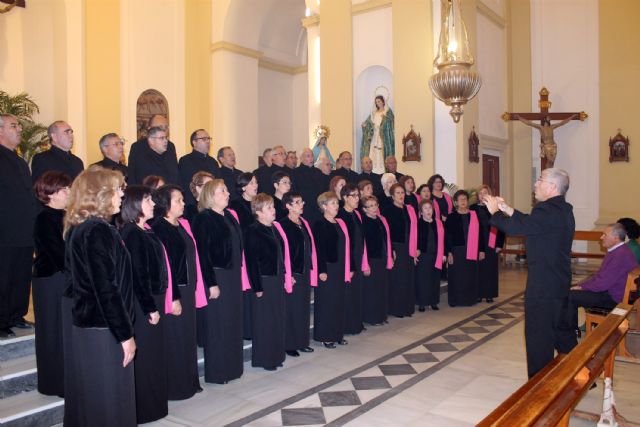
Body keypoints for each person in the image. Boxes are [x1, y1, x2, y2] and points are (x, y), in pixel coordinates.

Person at [485, 167, 576, 379]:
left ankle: (538, 388)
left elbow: (520, 228)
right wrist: (507, 208)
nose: (536, 184)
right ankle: (581, 374)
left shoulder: (546, 210)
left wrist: (495, 213)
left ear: (552, 187)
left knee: (538, 337)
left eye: (540, 180)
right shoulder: (562, 209)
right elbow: (531, 223)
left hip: (543, 285)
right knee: (562, 332)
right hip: (559, 280)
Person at [63, 168, 136, 427]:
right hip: (104, 327)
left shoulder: (82, 227)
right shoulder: (98, 231)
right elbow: (106, 289)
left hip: (93, 324)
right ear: (100, 194)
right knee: (109, 402)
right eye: (117, 189)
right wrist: (125, 335)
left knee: (95, 400)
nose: (122, 195)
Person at [119, 186, 169, 423]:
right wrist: (150, 307)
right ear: (134, 204)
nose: (153, 204)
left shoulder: (145, 230)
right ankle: (146, 408)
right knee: (146, 357)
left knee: (155, 355)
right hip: (143, 303)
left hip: (153, 297)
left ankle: (156, 402)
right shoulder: (132, 233)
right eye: (148, 200)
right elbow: (138, 275)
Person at [151, 184, 206, 399]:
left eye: (183, 200)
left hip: (189, 286)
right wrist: (172, 296)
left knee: (187, 338)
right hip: (173, 291)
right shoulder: (157, 227)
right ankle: (176, 386)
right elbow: (163, 268)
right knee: (175, 339)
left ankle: (190, 380)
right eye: (178, 200)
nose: (184, 203)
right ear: (165, 204)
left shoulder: (183, 224)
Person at [192, 180, 246, 383]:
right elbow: (203, 254)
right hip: (217, 275)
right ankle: (218, 372)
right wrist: (211, 283)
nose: (227, 193)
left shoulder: (230, 216)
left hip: (232, 275)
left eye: (226, 189)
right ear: (210, 196)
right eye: (222, 190)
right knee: (218, 324)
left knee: (232, 321)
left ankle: (233, 367)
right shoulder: (203, 218)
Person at [32, 171, 71, 396]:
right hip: (50, 281)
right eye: (65, 189)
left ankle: (65, 379)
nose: (69, 192)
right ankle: (52, 383)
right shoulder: (45, 218)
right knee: (52, 331)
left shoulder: (64, 215)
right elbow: (58, 253)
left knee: (63, 331)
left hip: (62, 278)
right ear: (52, 193)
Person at [0, 114, 37, 338]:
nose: (20, 129)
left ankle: (16, 315)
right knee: (4, 275)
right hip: (4, 230)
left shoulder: (20, 160)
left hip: (24, 229)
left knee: (21, 274)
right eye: (14, 125)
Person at [568, 223, 638, 338]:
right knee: (572, 290)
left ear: (615, 238)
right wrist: (581, 285)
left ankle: (570, 333)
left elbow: (602, 284)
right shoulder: (619, 250)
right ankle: (574, 329)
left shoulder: (619, 255)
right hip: (612, 291)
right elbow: (600, 276)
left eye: (605, 235)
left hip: (614, 298)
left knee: (569, 296)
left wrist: (582, 287)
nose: (601, 237)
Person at [245, 194, 286, 370]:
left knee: (276, 319)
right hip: (263, 281)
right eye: (269, 207)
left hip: (276, 279)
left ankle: (277, 355)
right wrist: (257, 286)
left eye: (273, 207)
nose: (274, 210)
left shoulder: (274, 228)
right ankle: (265, 359)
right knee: (265, 322)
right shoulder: (253, 231)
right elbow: (251, 262)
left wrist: (285, 274)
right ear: (259, 212)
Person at [275, 191, 316, 357]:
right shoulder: (281, 225)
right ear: (288, 206)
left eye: (302, 201)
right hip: (292, 273)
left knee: (303, 308)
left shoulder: (303, 222)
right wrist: (287, 273)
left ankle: (302, 341)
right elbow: (281, 252)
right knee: (291, 309)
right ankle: (289, 344)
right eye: (298, 202)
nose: (302, 205)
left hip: (304, 270)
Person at [313, 191, 351, 348]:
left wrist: (350, 266)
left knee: (339, 302)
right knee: (327, 302)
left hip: (340, 266)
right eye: (333, 203)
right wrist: (321, 270)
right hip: (327, 268)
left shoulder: (340, 223)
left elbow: (348, 246)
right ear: (324, 206)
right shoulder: (319, 224)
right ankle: (325, 335)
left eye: (337, 203)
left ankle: (337, 334)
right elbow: (318, 250)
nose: (337, 206)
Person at [229, 172, 258, 341]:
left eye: (256, 182)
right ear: (243, 186)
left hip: (257, 251)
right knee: (247, 290)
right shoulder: (236, 205)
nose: (255, 185)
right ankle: (247, 329)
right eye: (252, 182)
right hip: (245, 251)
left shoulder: (258, 202)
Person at [381, 183, 418, 317]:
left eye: (402, 193)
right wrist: (391, 249)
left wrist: (416, 247)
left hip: (409, 246)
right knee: (398, 279)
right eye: (397, 193)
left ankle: (407, 307)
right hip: (396, 247)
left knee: (408, 277)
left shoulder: (409, 209)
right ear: (392, 196)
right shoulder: (387, 210)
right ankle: (397, 309)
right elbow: (386, 232)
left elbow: (415, 230)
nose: (401, 195)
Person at [338, 184, 368, 334]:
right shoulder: (340, 215)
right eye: (354, 196)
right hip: (347, 259)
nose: (358, 198)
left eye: (358, 195)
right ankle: (347, 325)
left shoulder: (357, 214)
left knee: (357, 292)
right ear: (345, 198)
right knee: (348, 293)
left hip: (358, 255)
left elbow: (361, 238)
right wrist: (350, 265)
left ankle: (356, 322)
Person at [445, 190, 484, 307]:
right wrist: (449, 252)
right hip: (457, 250)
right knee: (456, 276)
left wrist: (481, 250)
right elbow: (447, 236)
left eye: (465, 199)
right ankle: (455, 300)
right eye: (460, 199)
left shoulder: (474, 215)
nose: (463, 201)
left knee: (470, 275)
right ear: (456, 202)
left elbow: (480, 234)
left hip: (472, 249)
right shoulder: (451, 217)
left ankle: (470, 299)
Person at [360, 195, 392, 325]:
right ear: (364, 209)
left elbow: (387, 238)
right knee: (371, 291)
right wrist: (365, 263)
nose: (374, 208)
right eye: (370, 206)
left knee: (381, 289)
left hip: (382, 257)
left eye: (375, 205)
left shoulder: (381, 220)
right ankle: (372, 318)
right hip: (371, 259)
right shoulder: (364, 222)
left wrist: (390, 254)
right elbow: (363, 245)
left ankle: (381, 315)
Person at [472, 185, 505, 303]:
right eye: (480, 193)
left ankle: (489, 293)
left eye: (485, 193)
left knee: (490, 268)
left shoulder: (494, 207)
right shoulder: (473, 208)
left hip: (491, 241)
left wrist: (499, 244)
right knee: (479, 268)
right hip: (477, 242)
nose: (482, 195)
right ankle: (479, 293)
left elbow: (501, 226)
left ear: (489, 194)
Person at [128, 114, 178, 185]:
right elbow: (132, 175)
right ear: (149, 129)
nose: (164, 130)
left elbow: (174, 173)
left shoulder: (170, 146)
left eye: (166, 127)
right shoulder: (137, 147)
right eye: (160, 127)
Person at [514, 114, 578, 168]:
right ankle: (548, 172)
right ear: (545, 119)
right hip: (547, 146)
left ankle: (550, 171)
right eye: (548, 118)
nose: (550, 118)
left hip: (554, 145)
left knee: (552, 161)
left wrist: (572, 117)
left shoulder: (552, 127)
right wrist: (519, 118)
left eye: (550, 118)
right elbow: (529, 123)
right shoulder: (540, 127)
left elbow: (562, 123)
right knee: (550, 160)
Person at [415, 199, 445, 312]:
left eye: (430, 208)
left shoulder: (438, 222)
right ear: (421, 211)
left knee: (434, 279)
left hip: (436, 255)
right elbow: (415, 239)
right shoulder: (418, 223)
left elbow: (444, 239)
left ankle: (433, 302)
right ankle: (422, 302)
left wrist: (444, 254)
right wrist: (416, 250)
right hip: (423, 255)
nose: (428, 210)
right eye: (425, 208)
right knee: (422, 280)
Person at [178, 129, 219, 205]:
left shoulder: (213, 162)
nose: (208, 141)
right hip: (194, 205)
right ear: (194, 142)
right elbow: (187, 187)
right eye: (204, 139)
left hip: (213, 203)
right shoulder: (185, 160)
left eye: (208, 139)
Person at [361, 95, 395, 174]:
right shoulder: (374, 113)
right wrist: (365, 126)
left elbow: (391, 122)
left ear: (383, 101)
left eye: (379, 101)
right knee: (373, 152)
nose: (378, 103)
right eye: (376, 102)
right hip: (374, 135)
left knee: (381, 152)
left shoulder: (388, 112)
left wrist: (385, 119)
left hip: (383, 137)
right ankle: (374, 169)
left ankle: (383, 170)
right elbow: (369, 122)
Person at [292, 148, 323, 225]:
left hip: (318, 208)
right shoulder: (295, 173)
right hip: (305, 209)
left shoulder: (318, 172)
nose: (311, 158)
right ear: (301, 158)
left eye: (312, 156)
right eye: (308, 156)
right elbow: (295, 191)